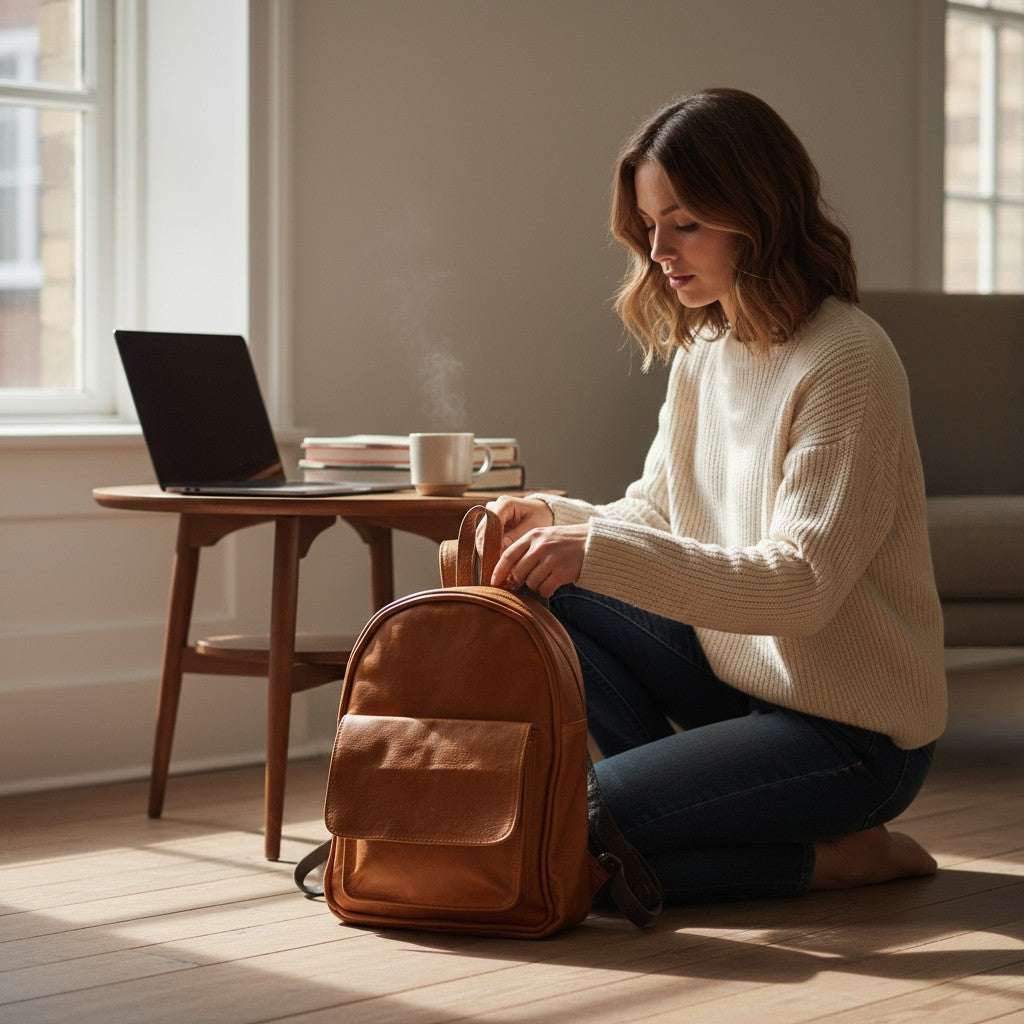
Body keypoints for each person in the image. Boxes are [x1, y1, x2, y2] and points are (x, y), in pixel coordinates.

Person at [486, 88, 946, 905]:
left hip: (852, 734)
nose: (659, 249)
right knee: (532, 583)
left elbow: (800, 585)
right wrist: (556, 521)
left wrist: (593, 547)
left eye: (686, 222)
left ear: (757, 214)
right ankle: (669, 801)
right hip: (740, 690)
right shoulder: (708, 347)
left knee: (565, 831)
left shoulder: (847, 360)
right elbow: (658, 514)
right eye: (650, 224)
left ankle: (835, 855)